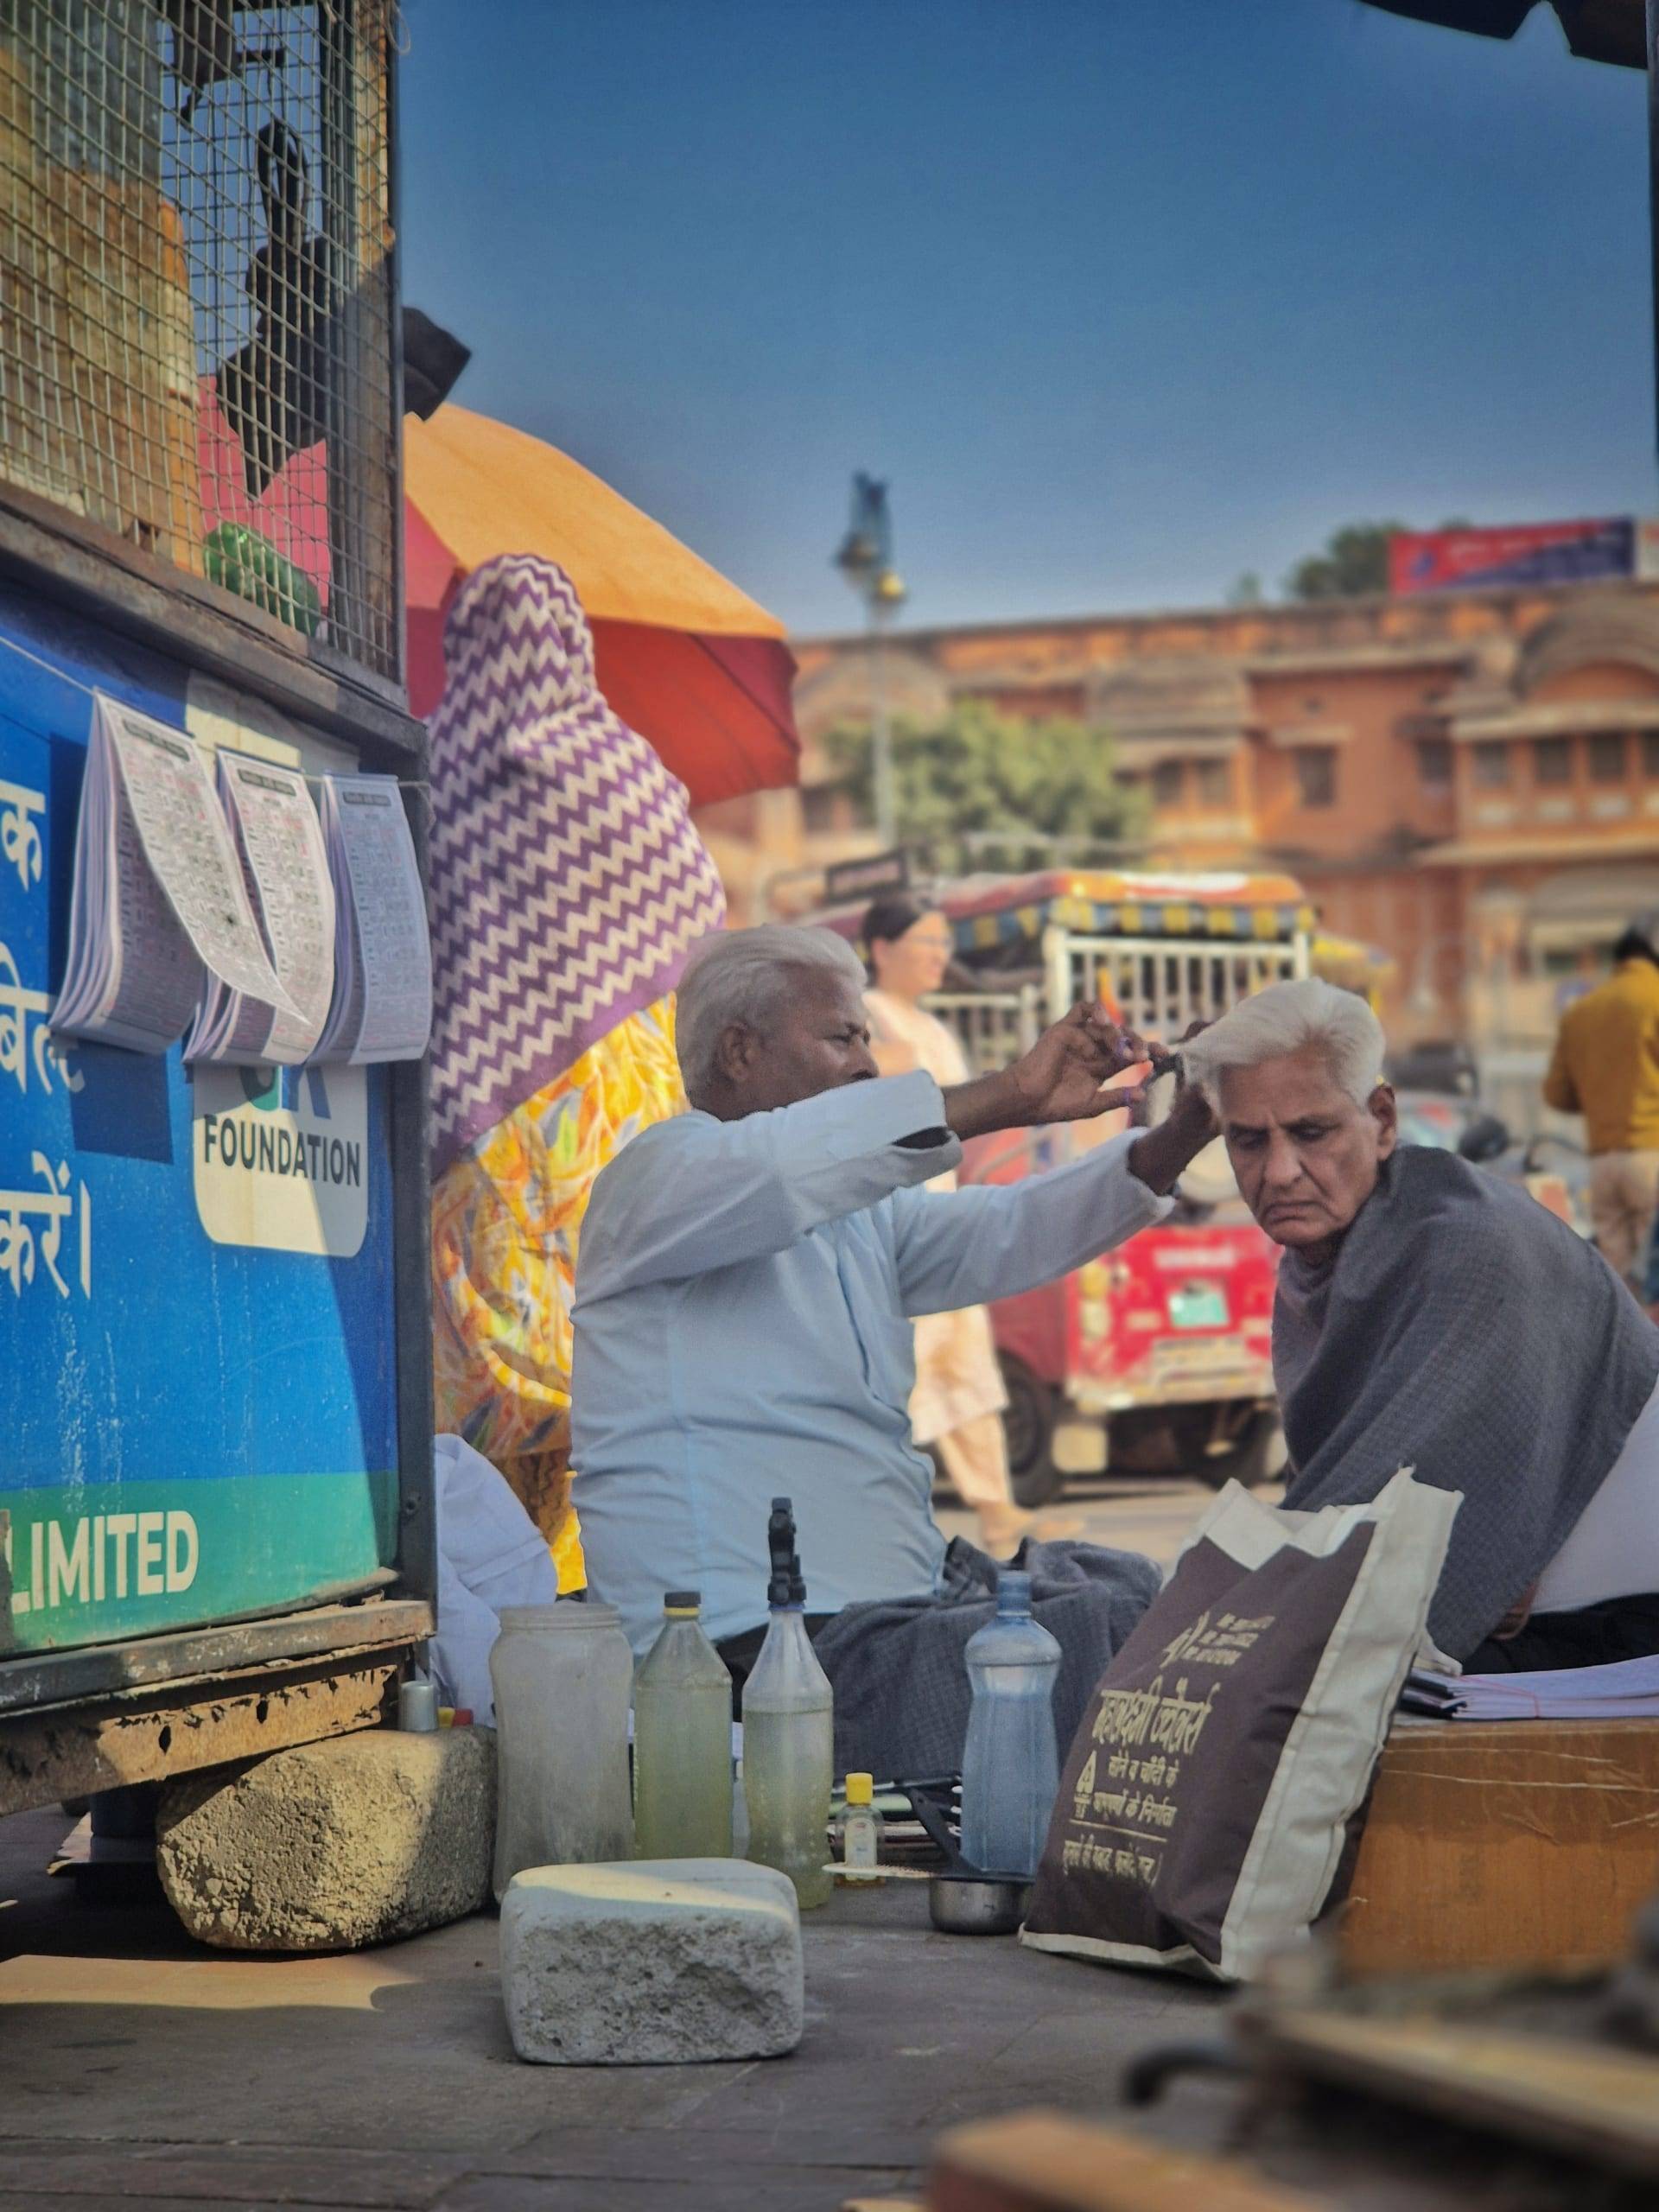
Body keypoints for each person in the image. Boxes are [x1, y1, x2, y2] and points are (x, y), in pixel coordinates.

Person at [569, 925, 1217, 1773]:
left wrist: (1187, 1130)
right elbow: (780, 1172)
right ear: (739, 1051)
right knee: (1074, 1646)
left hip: (886, 1620)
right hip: (743, 1654)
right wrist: (1016, 1091)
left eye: (868, 1038)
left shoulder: (854, 1214)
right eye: (844, 1037)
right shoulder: (657, 1178)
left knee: (1128, 1592)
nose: (870, 1064)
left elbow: (1009, 1230)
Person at [1182, 977, 1659, 1670]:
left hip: (1615, 1629)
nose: (1279, 1171)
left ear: (1382, 1120)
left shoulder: (1467, 1242)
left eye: (1311, 1132)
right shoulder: (1320, 1263)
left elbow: (1464, 1537)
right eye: (1247, 1141)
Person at [427, 554, 727, 1591]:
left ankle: (511, 1629)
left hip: (494, 1136)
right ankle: (614, 1611)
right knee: (619, 1387)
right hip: (627, 1121)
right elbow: (704, 923)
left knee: (498, 1401)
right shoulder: (629, 769)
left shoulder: (437, 765)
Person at [862, 893, 1061, 1554]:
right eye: (926, 942)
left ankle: (998, 1510)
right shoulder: (864, 1012)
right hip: (894, 1221)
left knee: (967, 1363)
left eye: (945, 943)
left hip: (941, 1211)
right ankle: (874, 1515)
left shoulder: (936, 1027)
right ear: (882, 950)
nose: (940, 956)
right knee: (899, 1368)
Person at [1544, 920, 1659, 1288]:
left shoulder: (1581, 1010)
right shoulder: (1654, 996)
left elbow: (1556, 1094)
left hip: (1602, 1165)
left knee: (1620, 1290)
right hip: (1651, 1156)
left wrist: (1601, 1096)